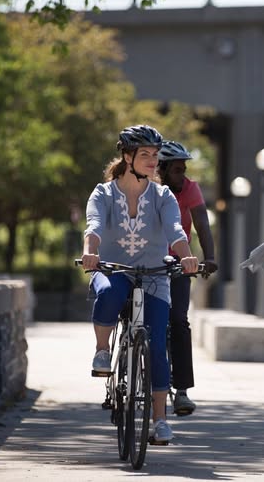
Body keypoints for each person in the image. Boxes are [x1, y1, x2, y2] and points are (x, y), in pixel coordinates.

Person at [80, 124, 199, 443]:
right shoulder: (103, 193)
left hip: (155, 274)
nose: (152, 160)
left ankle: (160, 420)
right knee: (106, 293)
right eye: (144, 154)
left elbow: (176, 229)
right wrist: (90, 253)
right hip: (114, 269)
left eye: (154, 155)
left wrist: (187, 258)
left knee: (158, 345)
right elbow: (94, 225)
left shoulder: (162, 195)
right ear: (127, 157)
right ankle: (103, 350)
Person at [157, 140, 218, 416]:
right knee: (147, 321)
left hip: (182, 264)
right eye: (177, 171)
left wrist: (210, 257)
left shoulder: (190, 188)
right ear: (163, 170)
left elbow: (202, 222)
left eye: (184, 170)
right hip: (150, 264)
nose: (182, 176)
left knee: (179, 322)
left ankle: (181, 391)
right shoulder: (151, 190)